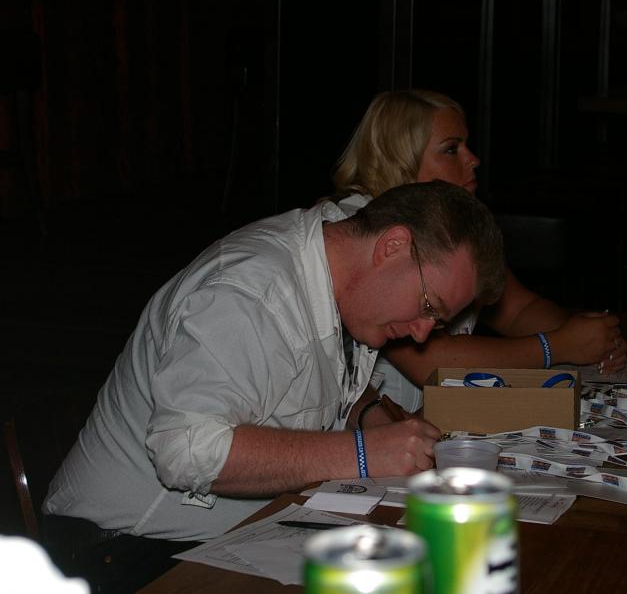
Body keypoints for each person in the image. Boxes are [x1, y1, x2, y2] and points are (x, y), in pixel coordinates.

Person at [44, 181, 504, 546]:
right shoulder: (247, 294)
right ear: (392, 245)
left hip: (239, 535)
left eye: (437, 321)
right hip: (124, 551)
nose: (423, 333)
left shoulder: (338, 262)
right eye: (428, 306)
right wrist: (365, 453)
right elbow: (185, 450)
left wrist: (371, 419)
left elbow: (304, 382)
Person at [332, 90, 626, 413]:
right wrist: (557, 345)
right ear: (400, 160)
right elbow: (433, 363)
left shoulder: (453, 224)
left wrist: (592, 338)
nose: (473, 159)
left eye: (466, 146)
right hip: (373, 431)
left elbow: (518, 310)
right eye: (451, 149)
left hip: (436, 422)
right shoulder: (367, 232)